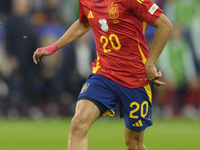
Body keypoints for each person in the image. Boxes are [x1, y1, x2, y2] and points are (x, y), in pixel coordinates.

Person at [33, 0, 172, 149]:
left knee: (134, 144)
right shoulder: (85, 1)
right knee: (78, 123)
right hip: (104, 74)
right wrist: (53, 48)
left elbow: (165, 25)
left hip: (135, 78)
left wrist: (150, 63)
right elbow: (83, 24)